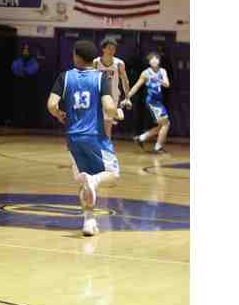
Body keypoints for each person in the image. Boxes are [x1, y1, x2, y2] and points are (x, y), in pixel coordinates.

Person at [47, 40, 121, 237]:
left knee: (83, 182)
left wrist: (59, 114)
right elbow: (109, 107)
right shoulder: (100, 78)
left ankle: (89, 221)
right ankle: (95, 181)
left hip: (73, 137)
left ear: (76, 56)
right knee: (113, 175)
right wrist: (117, 112)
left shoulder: (65, 76)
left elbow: (52, 105)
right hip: (95, 136)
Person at [122, 52, 171, 154]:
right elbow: (136, 86)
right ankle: (158, 147)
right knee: (166, 124)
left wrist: (159, 79)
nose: (154, 60)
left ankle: (140, 138)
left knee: (161, 126)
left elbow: (167, 84)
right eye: (152, 59)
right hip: (152, 102)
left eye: (156, 58)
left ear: (159, 61)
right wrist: (127, 97)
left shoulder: (162, 71)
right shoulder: (145, 73)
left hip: (159, 101)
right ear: (149, 62)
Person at [92, 38, 131, 138]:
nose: (111, 51)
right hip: (98, 95)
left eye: (113, 49)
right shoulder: (96, 62)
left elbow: (125, 81)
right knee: (97, 125)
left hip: (112, 96)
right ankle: (116, 114)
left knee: (107, 126)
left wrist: (127, 98)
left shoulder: (119, 63)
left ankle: (106, 147)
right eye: (109, 48)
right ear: (103, 49)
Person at [11, 43, 40, 128]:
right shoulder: (17, 61)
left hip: (30, 87)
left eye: (27, 49)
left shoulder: (34, 62)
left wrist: (24, 71)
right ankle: (18, 122)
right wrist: (22, 71)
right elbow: (15, 69)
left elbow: (31, 70)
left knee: (29, 105)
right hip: (19, 86)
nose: (26, 51)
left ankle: (29, 123)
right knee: (19, 104)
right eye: (24, 49)